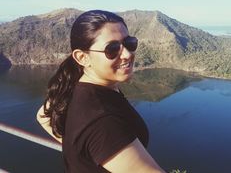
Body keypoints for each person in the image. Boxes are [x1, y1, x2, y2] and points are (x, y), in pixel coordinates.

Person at [36, 10, 165, 173]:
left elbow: (43, 115)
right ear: (83, 58)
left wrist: (84, 152)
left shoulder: (78, 86)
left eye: (129, 43)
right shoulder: (103, 122)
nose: (127, 54)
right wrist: (92, 146)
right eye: (112, 49)